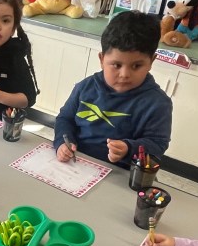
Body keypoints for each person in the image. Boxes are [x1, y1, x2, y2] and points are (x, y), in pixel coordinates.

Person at [53, 11, 171, 167]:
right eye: (116, 65)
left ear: (151, 61)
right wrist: (62, 142)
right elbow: (64, 119)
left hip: (120, 172)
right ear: (102, 59)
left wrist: (129, 148)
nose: (124, 75)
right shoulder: (85, 87)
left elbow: (157, 144)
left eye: (137, 66)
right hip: (76, 163)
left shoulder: (158, 103)